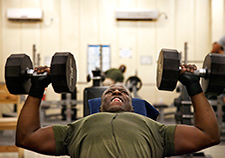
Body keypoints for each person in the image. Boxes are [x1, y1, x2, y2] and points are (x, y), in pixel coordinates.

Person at [15, 65, 220, 157]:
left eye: (123, 92)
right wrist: (36, 89)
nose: (115, 90)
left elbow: (208, 135)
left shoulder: (157, 131)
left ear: (133, 107)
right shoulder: (75, 129)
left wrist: (194, 86)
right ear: (99, 107)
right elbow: (26, 138)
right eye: (109, 91)